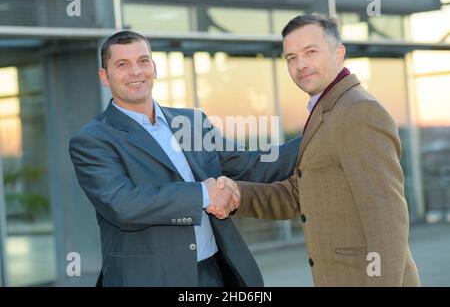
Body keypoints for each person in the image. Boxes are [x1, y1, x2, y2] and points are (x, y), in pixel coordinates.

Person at [68, 30, 300, 287]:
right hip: (150, 278)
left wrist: (319, 132)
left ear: (154, 68)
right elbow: (123, 205)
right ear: (105, 76)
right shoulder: (92, 140)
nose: (136, 72)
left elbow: (250, 165)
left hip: (215, 272)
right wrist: (204, 194)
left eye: (143, 61)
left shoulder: (191, 122)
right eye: (122, 64)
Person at [217, 15, 420, 286]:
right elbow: (300, 194)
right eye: (290, 57)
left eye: (310, 52)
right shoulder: (327, 110)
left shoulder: (359, 111)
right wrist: (238, 195)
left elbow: (386, 215)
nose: (300, 65)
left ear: (339, 54)